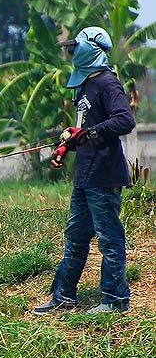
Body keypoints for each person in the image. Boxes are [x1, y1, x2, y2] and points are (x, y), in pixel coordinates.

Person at [33, 26, 135, 315]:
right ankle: (63, 296)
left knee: (109, 238)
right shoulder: (84, 85)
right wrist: (67, 145)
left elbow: (124, 121)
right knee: (76, 237)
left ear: (91, 48)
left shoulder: (107, 83)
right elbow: (84, 131)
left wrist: (88, 134)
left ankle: (116, 300)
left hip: (104, 175)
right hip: (86, 176)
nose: (70, 53)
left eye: (74, 47)